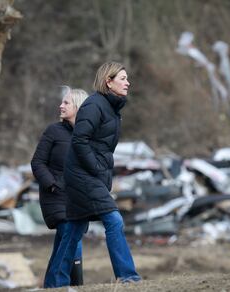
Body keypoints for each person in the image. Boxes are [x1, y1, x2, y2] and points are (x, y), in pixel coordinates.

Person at [46, 61, 141, 287]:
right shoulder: (94, 105)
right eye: (122, 78)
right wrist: (97, 169)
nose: (128, 82)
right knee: (114, 220)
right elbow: (79, 141)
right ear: (108, 82)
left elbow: (102, 146)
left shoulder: (112, 109)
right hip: (82, 175)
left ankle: (55, 284)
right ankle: (128, 276)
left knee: (74, 228)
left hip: (90, 175)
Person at [31, 87, 88, 288]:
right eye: (62, 102)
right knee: (70, 234)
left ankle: (51, 285)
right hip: (55, 195)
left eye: (66, 103)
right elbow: (37, 163)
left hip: (78, 198)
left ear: (78, 107)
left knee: (63, 244)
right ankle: (59, 285)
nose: (60, 106)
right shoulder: (53, 131)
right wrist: (52, 185)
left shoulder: (88, 134)